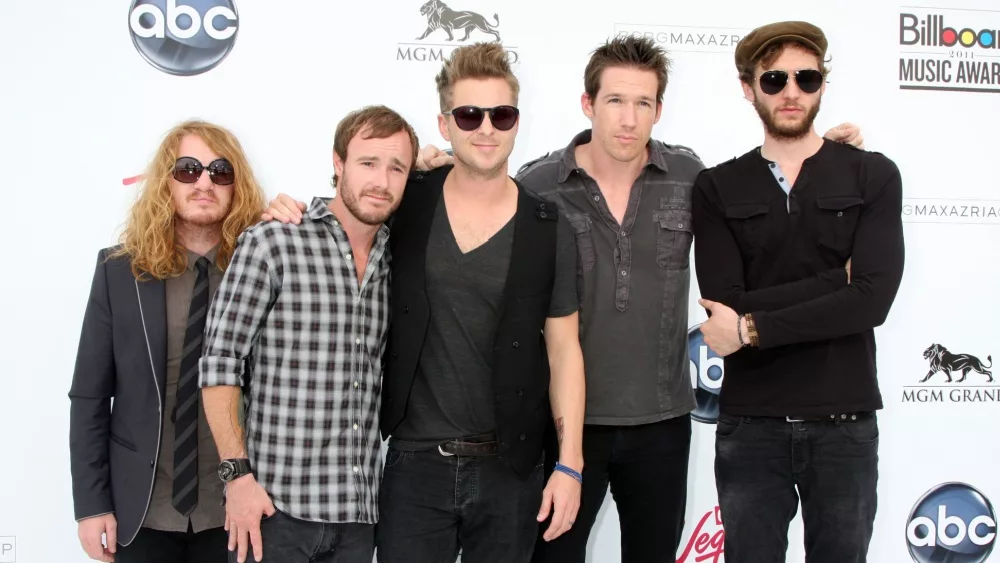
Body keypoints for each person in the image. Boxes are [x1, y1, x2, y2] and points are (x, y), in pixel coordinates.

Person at [410, 35, 866, 563]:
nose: (628, 119)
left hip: (663, 426)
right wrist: (427, 169)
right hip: (562, 429)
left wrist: (821, 155)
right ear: (588, 104)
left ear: (659, 110)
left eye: (642, 103)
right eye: (615, 101)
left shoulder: (691, 179)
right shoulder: (540, 184)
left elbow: (761, 205)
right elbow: (479, 190)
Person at [261, 42, 586, 563]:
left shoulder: (550, 227)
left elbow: (565, 349)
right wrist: (287, 207)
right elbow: (352, 201)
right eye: (469, 114)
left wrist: (569, 465)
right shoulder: (406, 199)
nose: (486, 128)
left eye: (501, 114)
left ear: (517, 122)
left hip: (513, 468)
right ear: (445, 124)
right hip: (415, 466)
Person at [691, 21, 904, 563]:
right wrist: (841, 282)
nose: (791, 91)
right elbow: (724, 307)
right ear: (748, 88)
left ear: (821, 87)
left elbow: (873, 301)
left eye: (806, 78)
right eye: (774, 79)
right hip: (751, 427)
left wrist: (753, 328)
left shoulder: (872, 176)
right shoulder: (717, 187)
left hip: (844, 425)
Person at [197, 105, 419, 563]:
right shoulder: (274, 242)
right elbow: (220, 364)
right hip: (275, 513)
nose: (381, 179)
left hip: (359, 518)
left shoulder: (401, 255)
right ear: (338, 164)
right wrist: (236, 477)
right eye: (367, 163)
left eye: (397, 167)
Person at [69, 120, 267, 563]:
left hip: (238, 510)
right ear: (166, 181)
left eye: (220, 171)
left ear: (237, 186)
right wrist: (91, 504)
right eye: (188, 169)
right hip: (141, 510)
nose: (204, 182)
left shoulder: (263, 269)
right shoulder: (118, 271)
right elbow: (89, 395)